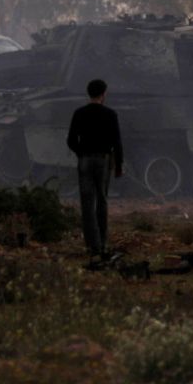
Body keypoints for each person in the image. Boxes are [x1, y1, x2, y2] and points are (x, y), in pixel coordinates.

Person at [66, 78, 123, 268]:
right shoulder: (110, 114)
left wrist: (81, 152)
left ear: (89, 93)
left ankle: (93, 245)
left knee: (87, 203)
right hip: (103, 159)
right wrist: (119, 164)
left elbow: (71, 140)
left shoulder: (79, 113)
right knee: (102, 201)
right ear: (103, 94)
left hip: (85, 160)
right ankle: (103, 243)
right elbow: (117, 141)